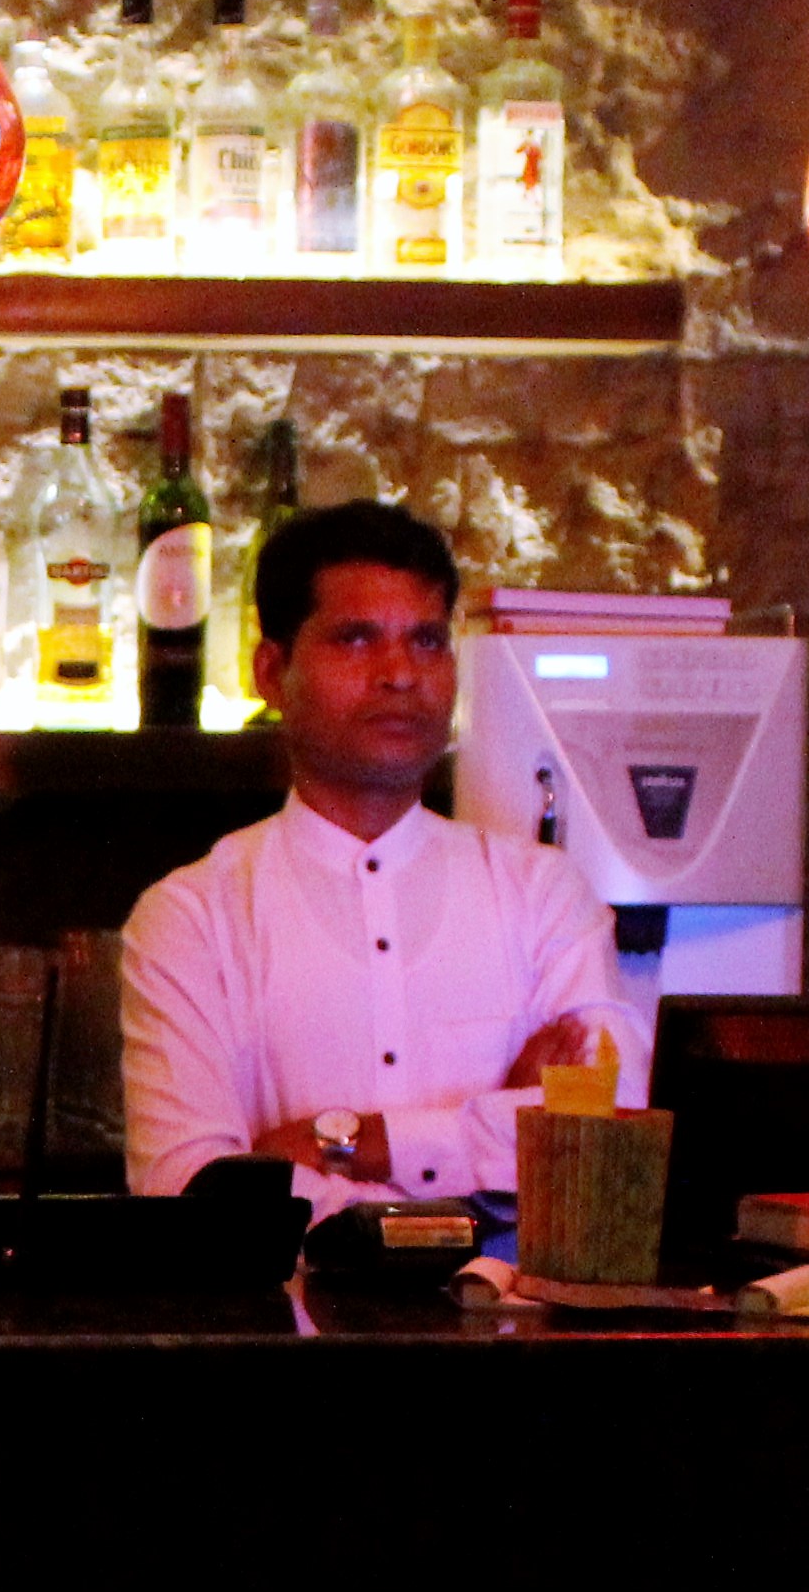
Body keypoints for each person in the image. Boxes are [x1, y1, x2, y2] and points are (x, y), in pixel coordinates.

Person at [117, 499, 623, 1209]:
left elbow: (610, 1134)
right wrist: (492, 1148)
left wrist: (347, 1141)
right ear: (272, 673)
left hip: (503, 1293)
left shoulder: (542, 894)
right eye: (356, 639)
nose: (400, 673)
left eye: (427, 641)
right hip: (304, 1293)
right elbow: (190, 1187)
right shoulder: (193, 919)